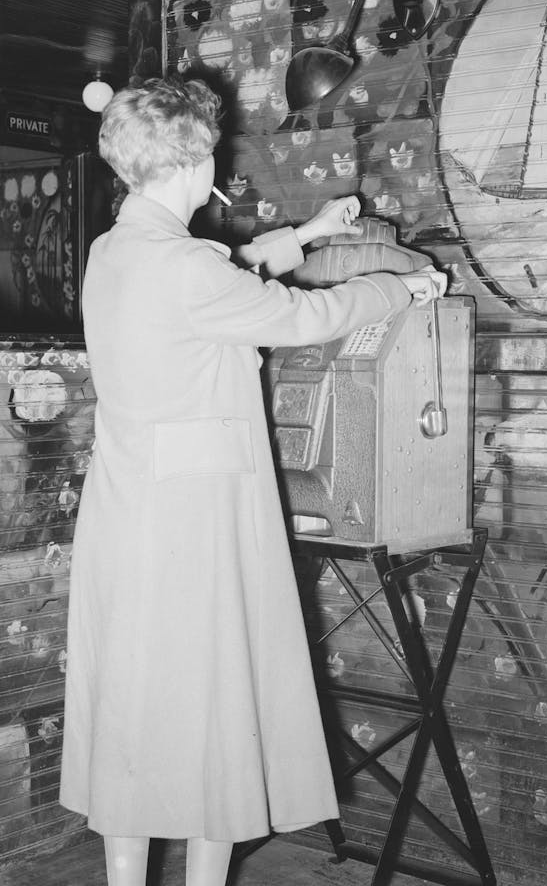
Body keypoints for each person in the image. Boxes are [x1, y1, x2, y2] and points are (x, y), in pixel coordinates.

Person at [58, 76, 446, 886]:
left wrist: (308, 230)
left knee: (140, 708)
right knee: (215, 703)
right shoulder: (189, 268)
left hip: (130, 511)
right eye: (212, 154)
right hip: (195, 520)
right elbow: (297, 316)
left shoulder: (115, 251)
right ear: (191, 161)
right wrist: (397, 287)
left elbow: (231, 275)